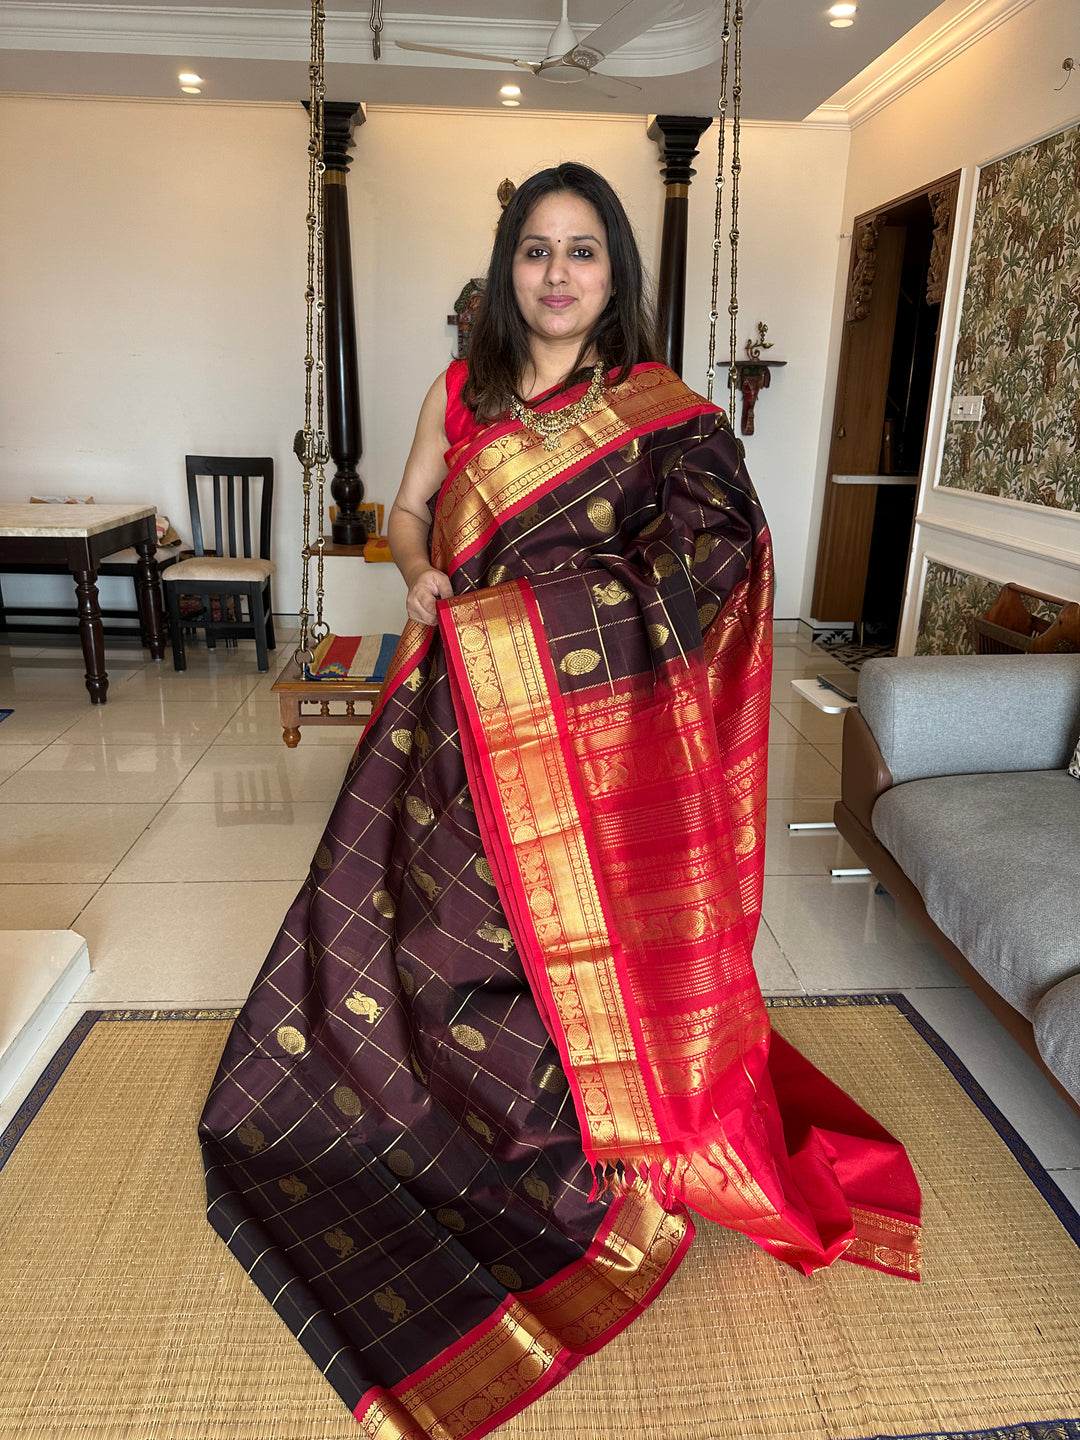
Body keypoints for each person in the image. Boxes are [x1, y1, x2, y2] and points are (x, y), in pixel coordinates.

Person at [200, 163, 920, 1440]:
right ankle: (441, 1121)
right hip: (456, 708)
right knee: (427, 927)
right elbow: (408, 512)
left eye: (582, 252)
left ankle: (579, 1140)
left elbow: (721, 553)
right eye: (537, 250)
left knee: (557, 946)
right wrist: (420, 575)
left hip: (588, 739)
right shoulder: (460, 393)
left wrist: (544, 622)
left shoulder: (660, 415)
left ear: (615, 275)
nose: (557, 274)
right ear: (506, 265)